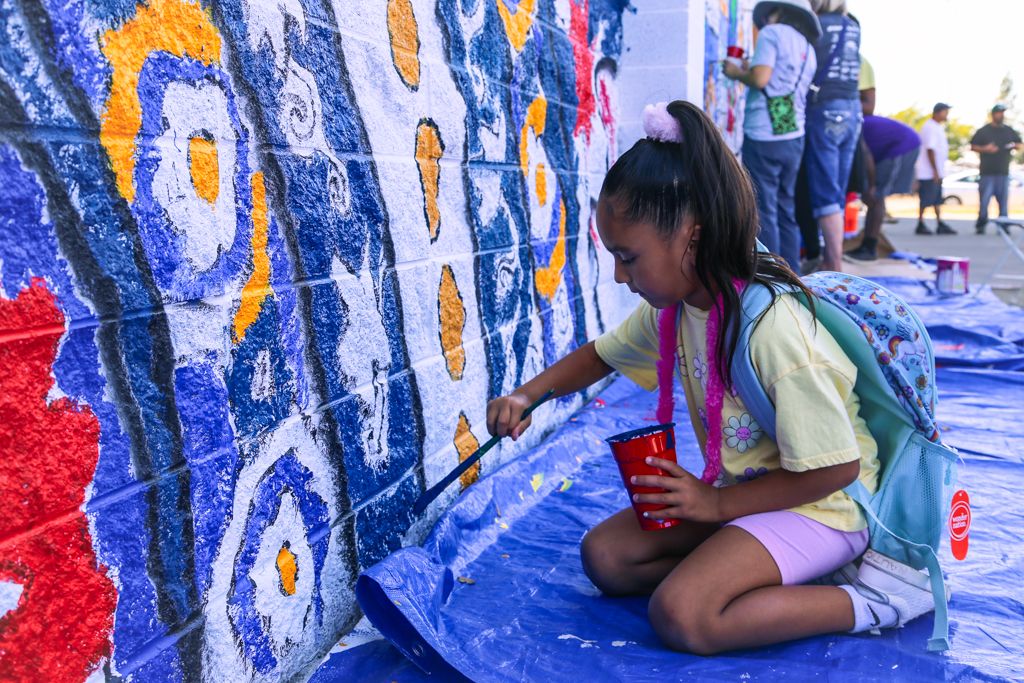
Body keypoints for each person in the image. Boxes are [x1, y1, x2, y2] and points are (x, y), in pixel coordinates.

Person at [486, 100, 935, 654]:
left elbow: (837, 468)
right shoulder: (678, 307)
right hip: (747, 498)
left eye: (628, 257)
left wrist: (717, 508)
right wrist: (526, 395)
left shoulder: (774, 332)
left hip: (825, 508)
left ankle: (873, 600)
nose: (621, 276)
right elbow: (602, 355)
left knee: (683, 614)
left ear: (692, 239)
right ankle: (758, 570)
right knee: (607, 558)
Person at [723, 0, 820, 272]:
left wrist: (735, 72)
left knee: (763, 209)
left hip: (763, 131)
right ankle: (792, 274)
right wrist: (751, 67)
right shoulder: (807, 46)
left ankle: (770, 276)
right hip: (793, 134)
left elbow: (761, 79)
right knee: (786, 208)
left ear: (774, 11)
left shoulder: (771, 33)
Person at [800, 0, 862, 272]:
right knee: (836, 190)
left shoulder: (815, 25)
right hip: (851, 110)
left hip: (825, 109)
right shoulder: (853, 26)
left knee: (825, 192)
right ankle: (833, 258)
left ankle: (833, 262)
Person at [845, 115, 920, 261]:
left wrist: (871, 186)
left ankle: (869, 248)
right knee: (872, 198)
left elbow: (867, 158)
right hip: (896, 144)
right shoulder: (851, 122)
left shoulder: (851, 127)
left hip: (901, 146)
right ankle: (867, 244)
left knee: (876, 197)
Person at [970, 104, 1023, 234]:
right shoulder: (984, 131)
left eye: (1003, 112)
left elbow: (1020, 143)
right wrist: (985, 149)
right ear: (993, 114)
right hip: (987, 172)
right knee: (984, 201)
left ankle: (1003, 227)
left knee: (1003, 202)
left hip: (1003, 172)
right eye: (999, 112)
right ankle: (981, 224)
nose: (1001, 115)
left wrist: (1014, 145)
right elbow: (973, 146)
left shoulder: (1009, 130)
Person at [914, 103, 956, 235]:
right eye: (945, 112)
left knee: (937, 199)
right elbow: (930, 149)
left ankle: (939, 223)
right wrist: (935, 170)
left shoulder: (937, 127)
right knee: (926, 198)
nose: (947, 115)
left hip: (936, 170)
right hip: (928, 172)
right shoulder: (930, 127)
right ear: (937, 112)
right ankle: (920, 223)